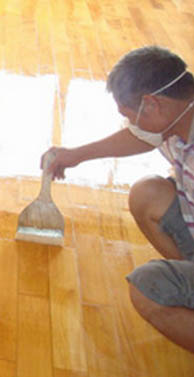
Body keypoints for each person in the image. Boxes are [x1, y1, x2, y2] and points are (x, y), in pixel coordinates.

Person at [42, 45, 194, 353]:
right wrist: (75, 155)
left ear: (152, 104)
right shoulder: (177, 115)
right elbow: (142, 136)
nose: (131, 124)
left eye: (130, 115)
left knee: (148, 289)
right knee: (147, 194)